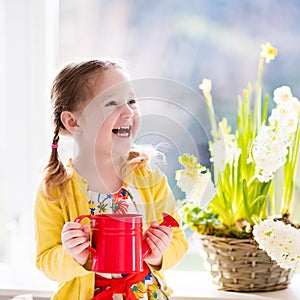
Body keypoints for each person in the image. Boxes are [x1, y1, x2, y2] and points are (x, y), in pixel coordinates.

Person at [34, 59, 188, 300]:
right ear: (73, 122)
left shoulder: (149, 178)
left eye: (132, 101)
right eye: (111, 103)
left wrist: (158, 254)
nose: (128, 111)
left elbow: (178, 239)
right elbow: (45, 261)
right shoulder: (55, 189)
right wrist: (73, 255)